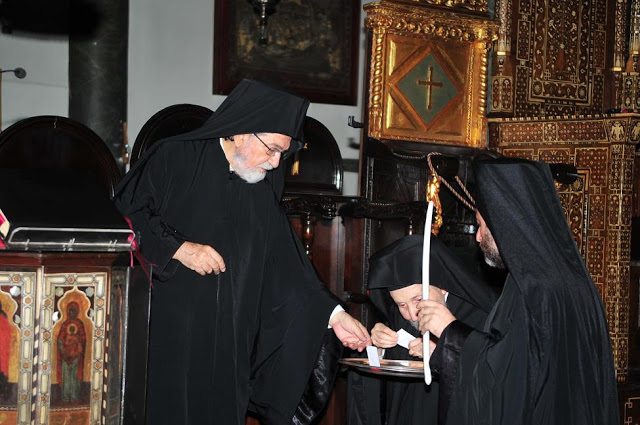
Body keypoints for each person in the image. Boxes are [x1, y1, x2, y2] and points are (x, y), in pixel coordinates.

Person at [113, 79, 371, 425]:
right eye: (272, 149)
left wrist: (335, 316)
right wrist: (178, 248)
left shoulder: (261, 188)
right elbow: (126, 215)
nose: (276, 163)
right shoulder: (174, 157)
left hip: (231, 343)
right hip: (168, 335)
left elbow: (288, 266)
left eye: (283, 153)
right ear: (240, 131)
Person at [418, 158, 619, 425]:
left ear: (505, 223)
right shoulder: (568, 279)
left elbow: (507, 384)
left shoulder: (533, 290)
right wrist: (444, 349)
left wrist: (450, 331)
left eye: (481, 225)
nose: (478, 237)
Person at [347, 234, 498, 425]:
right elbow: (387, 384)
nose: (412, 314)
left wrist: (445, 351)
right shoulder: (401, 317)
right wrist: (378, 349)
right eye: (401, 305)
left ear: (443, 287)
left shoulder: (481, 317)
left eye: (418, 300)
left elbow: (494, 380)